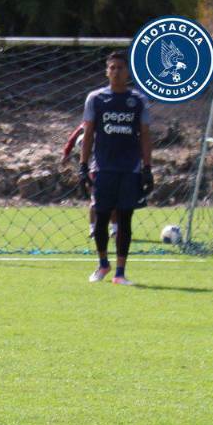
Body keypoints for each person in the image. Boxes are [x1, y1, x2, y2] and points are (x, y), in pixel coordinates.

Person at [79, 51, 153, 286]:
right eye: (112, 68)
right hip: (103, 168)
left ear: (127, 72)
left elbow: (145, 135)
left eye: (120, 67)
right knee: (101, 218)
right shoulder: (96, 98)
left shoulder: (138, 100)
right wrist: (82, 166)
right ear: (106, 71)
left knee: (125, 219)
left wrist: (147, 168)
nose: (116, 71)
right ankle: (103, 264)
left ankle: (120, 272)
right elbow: (88, 133)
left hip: (130, 169)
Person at [62, 124, 118, 240]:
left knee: (112, 199)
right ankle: (93, 230)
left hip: (111, 165)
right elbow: (73, 137)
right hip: (95, 167)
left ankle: (114, 229)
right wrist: (66, 153)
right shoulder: (87, 124)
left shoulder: (109, 123)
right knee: (96, 199)